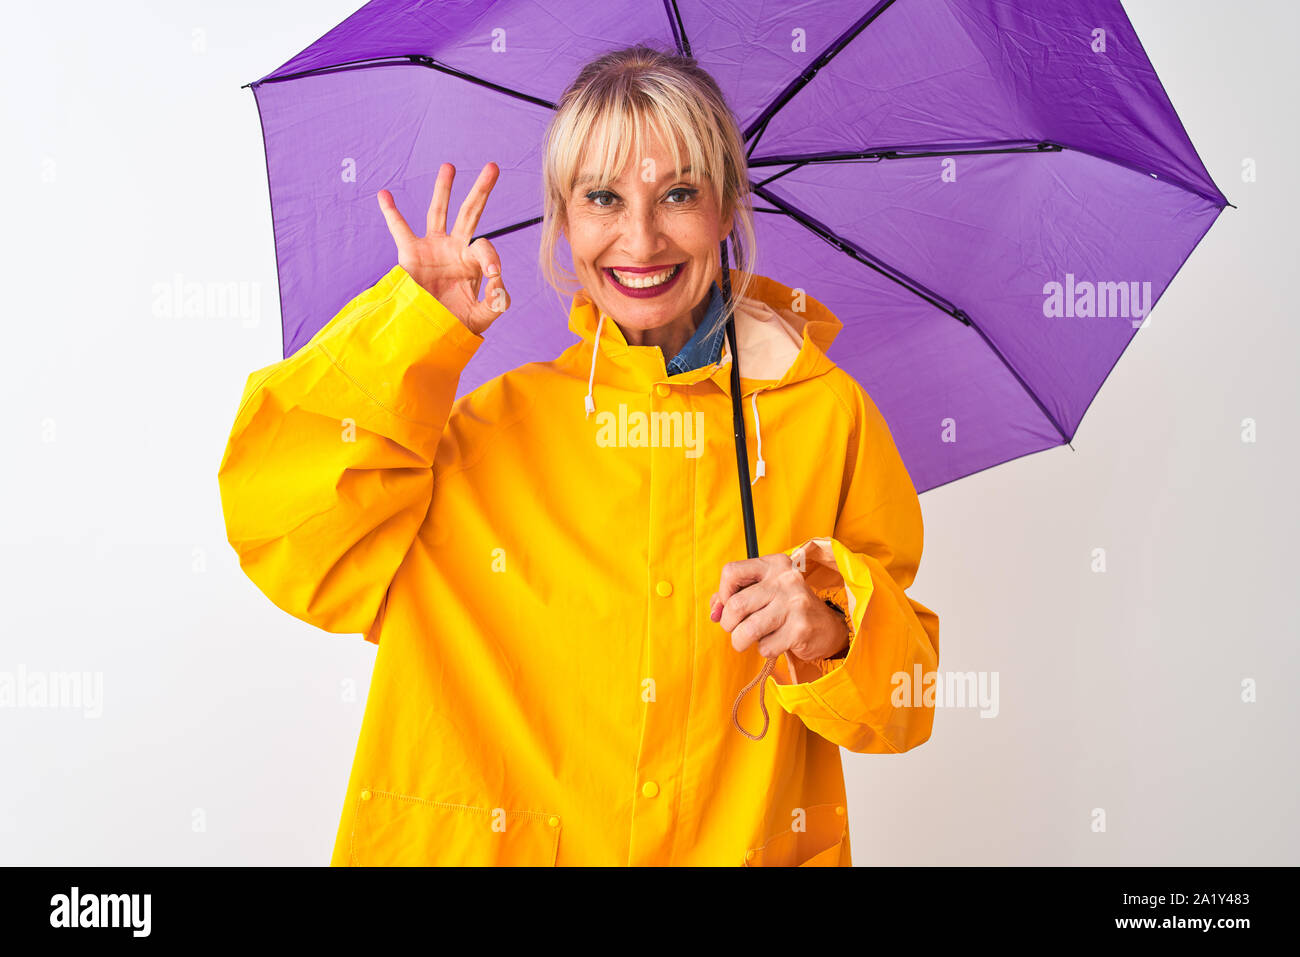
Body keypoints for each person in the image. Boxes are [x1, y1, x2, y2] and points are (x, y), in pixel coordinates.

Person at [217, 44, 939, 866]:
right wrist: (409, 329)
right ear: (564, 216)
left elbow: (904, 706)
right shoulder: (479, 431)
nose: (640, 237)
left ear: (728, 207)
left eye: (678, 193)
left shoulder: (824, 416)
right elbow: (283, 528)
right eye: (603, 197)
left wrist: (833, 630)